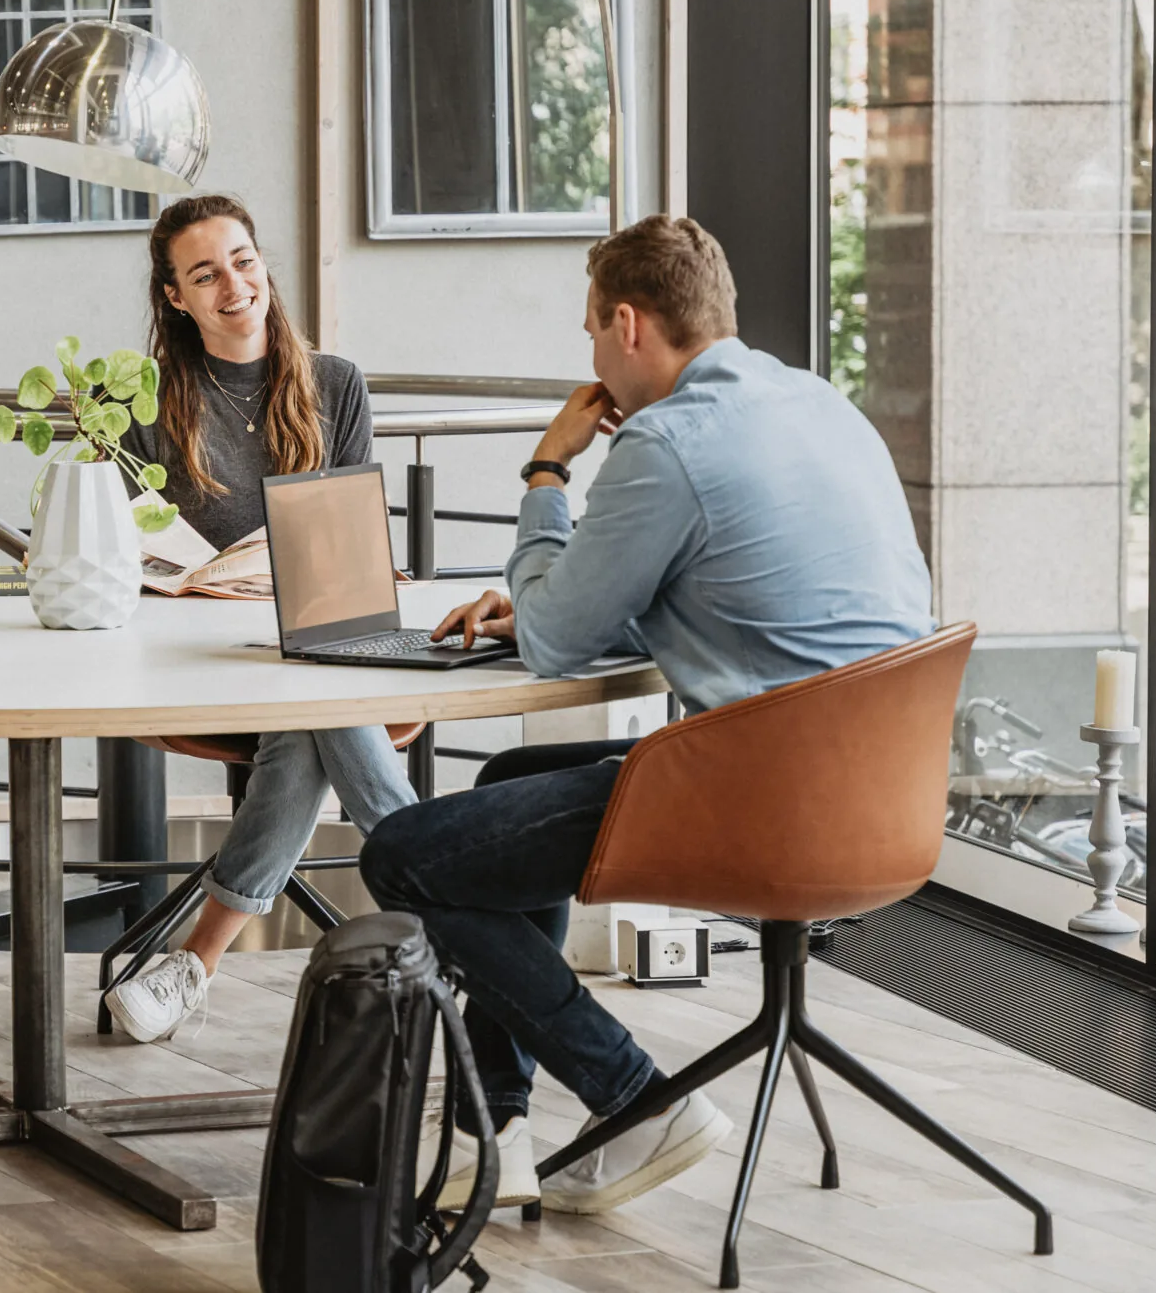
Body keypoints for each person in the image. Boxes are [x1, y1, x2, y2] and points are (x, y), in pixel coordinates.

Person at [361, 214, 932, 1214]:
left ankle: (635, 1097)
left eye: (588, 330)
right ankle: (492, 1125)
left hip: (761, 802)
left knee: (406, 856)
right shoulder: (817, 404)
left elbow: (549, 642)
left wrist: (547, 471)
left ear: (629, 325)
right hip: (884, 799)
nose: (586, 354)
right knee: (508, 788)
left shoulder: (666, 444)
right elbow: (741, 599)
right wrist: (575, 590)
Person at [102, 194, 416, 1042]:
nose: (234, 284)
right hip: (200, 658)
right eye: (205, 273)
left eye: (243, 260)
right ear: (176, 297)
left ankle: (194, 963)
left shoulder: (335, 385)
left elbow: (353, 539)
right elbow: (125, 553)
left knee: (311, 705)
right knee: (319, 709)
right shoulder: (146, 402)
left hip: (319, 643)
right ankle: (440, 908)